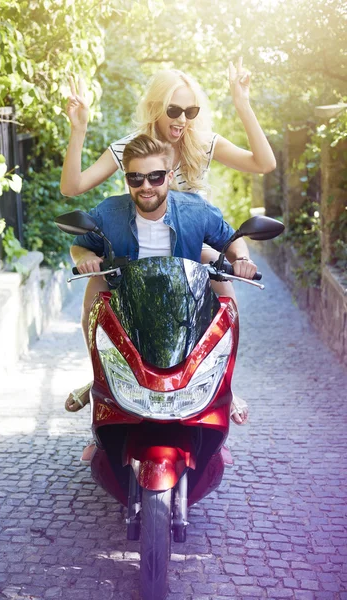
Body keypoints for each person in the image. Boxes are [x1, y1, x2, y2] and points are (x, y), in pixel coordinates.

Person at [61, 59, 276, 424]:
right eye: (174, 110)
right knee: (93, 304)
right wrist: (78, 129)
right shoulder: (130, 146)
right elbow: (72, 187)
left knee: (226, 298)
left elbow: (264, 163)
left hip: (192, 245)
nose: (182, 119)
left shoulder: (202, 143)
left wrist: (242, 103)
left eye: (190, 110)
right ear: (156, 107)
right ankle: (102, 379)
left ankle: (223, 385)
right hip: (134, 246)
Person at [68, 134, 258, 432]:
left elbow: (231, 240)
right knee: (93, 295)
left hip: (183, 298)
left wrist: (243, 259)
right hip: (127, 298)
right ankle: (99, 382)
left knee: (227, 309)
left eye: (156, 177)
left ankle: (224, 387)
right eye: (136, 177)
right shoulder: (108, 212)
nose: (146, 186)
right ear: (127, 178)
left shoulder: (195, 209)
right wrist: (85, 258)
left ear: (169, 176)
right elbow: (80, 245)